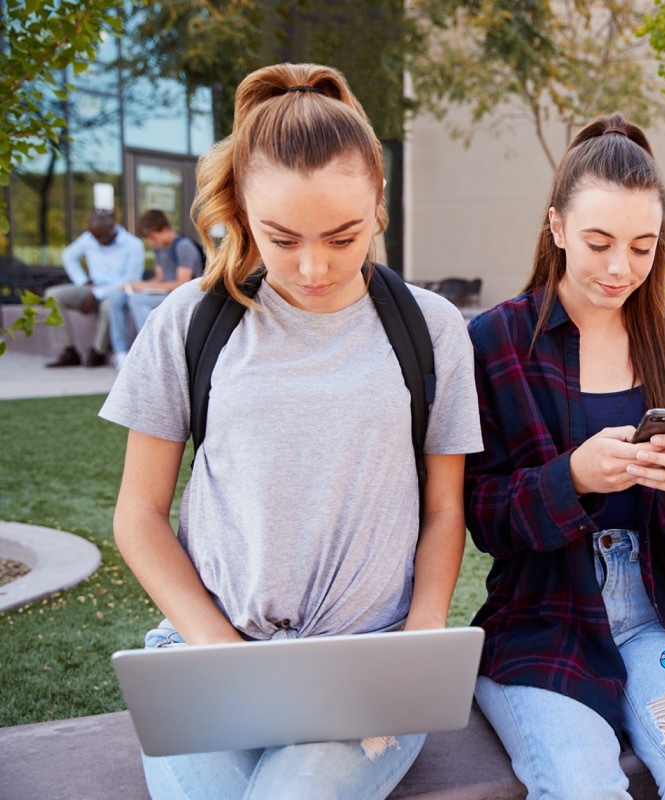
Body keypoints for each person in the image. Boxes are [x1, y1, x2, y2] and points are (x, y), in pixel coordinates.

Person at [99, 63, 482, 800]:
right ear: (240, 210)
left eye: (343, 237)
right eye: (281, 238)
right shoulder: (187, 322)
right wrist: (218, 650)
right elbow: (137, 516)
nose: (313, 267)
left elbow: (444, 509)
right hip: (207, 658)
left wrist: (419, 646)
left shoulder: (432, 330)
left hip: (370, 671)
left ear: (378, 203)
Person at [465, 113, 665, 800]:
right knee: (581, 788)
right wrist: (569, 479)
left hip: (657, 610)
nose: (619, 268)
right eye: (598, 242)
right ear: (557, 226)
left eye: (642, 247)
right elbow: (479, 515)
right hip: (541, 619)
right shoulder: (495, 343)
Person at [46, 210, 145, 367]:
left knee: (110, 304)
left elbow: (131, 280)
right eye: (95, 237)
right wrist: (82, 281)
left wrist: (96, 293)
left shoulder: (133, 245)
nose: (98, 241)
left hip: (117, 291)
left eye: (102, 237)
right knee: (52, 295)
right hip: (92, 287)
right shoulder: (89, 239)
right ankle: (69, 350)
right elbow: (68, 255)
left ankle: (98, 351)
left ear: (112, 228)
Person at [108, 210, 203, 370]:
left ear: (164, 230)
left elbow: (182, 283)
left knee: (137, 299)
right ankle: (121, 352)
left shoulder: (183, 246)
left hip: (187, 298)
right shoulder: (160, 249)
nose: (151, 242)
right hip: (165, 294)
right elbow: (160, 279)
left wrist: (143, 288)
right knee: (117, 297)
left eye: (153, 237)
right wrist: (136, 285)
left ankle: (150, 350)